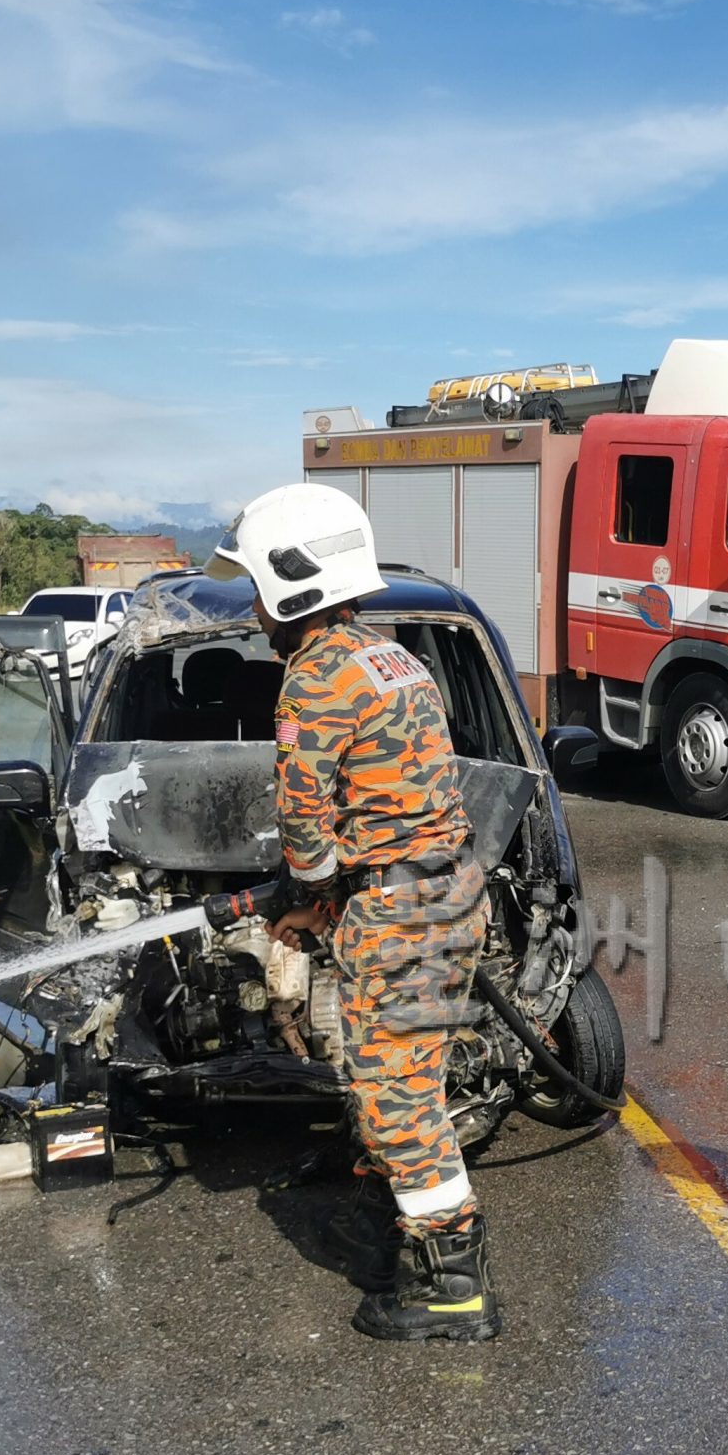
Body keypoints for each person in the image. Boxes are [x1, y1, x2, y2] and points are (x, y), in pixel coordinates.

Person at [203, 483, 501, 1343]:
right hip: (448, 893)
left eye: (257, 587)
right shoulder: (391, 656)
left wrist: (303, 895)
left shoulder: (313, 678)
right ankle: (380, 1229)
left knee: (397, 1101)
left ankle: (453, 1282)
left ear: (292, 580)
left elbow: (306, 824)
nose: (253, 608)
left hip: (399, 911)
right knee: (401, 1078)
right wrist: (326, 901)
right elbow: (396, 802)